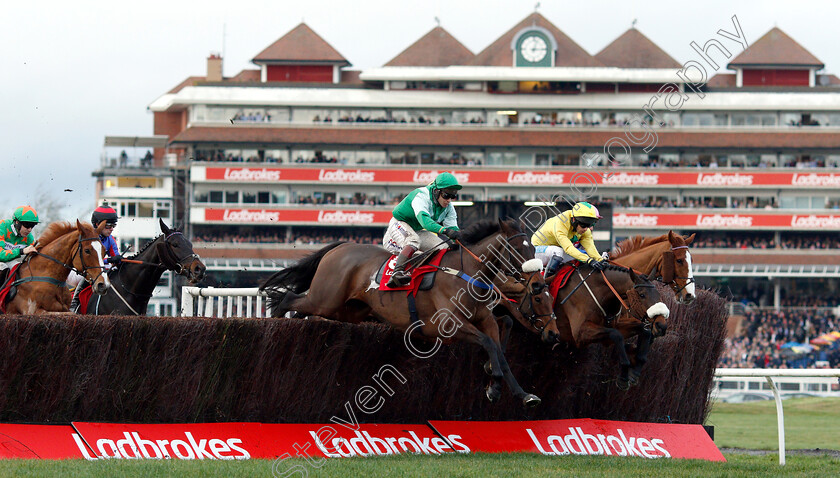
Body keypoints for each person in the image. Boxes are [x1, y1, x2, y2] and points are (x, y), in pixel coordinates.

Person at [383, 172, 462, 287]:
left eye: (452, 196)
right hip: (399, 224)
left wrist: (462, 240)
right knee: (413, 241)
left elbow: (453, 229)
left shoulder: (449, 207)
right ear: (436, 191)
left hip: (416, 230)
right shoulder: (421, 196)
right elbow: (426, 222)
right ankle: (397, 272)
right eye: (446, 196)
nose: (449, 200)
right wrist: (445, 231)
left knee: (443, 247)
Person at [70, 203, 122, 312]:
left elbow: (115, 257)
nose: (111, 229)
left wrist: (118, 259)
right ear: (98, 224)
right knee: (87, 277)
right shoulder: (89, 238)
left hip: (99, 269)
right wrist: (108, 260)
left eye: (113, 226)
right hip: (84, 270)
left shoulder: (110, 239)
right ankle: (74, 303)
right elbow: (90, 260)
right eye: (108, 226)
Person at [532, 201, 606, 276]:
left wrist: (600, 260)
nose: (586, 229)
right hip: (536, 249)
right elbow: (568, 248)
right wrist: (588, 260)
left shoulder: (584, 230)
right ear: (574, 220)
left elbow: (590, 248)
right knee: (559, 252)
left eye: (589, 225)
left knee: (583, 254)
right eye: (584, 225)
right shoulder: (561, 223)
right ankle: (545, 281)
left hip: (554, 250)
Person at [0, 206, 40, 279]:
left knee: (20, 268)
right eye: (27, 225)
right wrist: (21, 251)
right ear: (17, 222)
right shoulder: (2, 226)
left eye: (32, 226)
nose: (29, 230)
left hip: (8, 261)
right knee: (3, 267)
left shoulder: (29, 238)